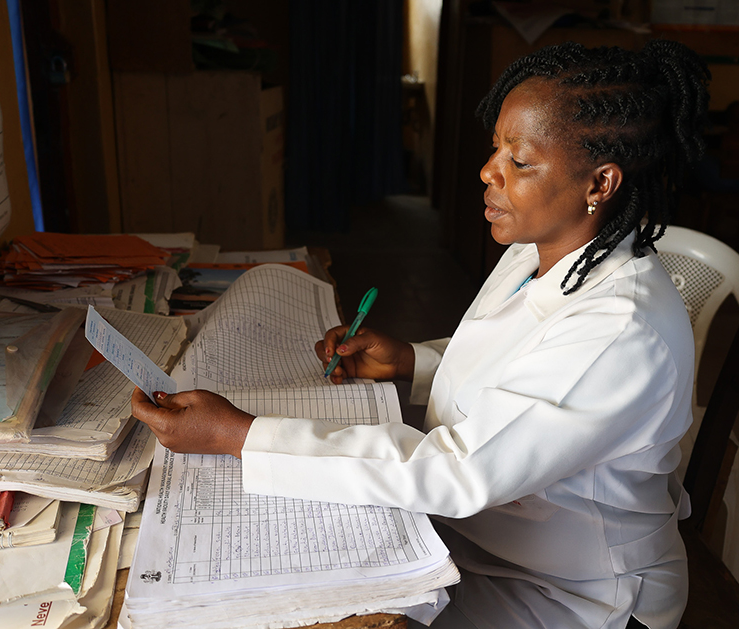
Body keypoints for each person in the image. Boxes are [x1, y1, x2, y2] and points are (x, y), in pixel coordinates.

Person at [132, 40, 710, 628]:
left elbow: (458, 470)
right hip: (485, 545)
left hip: (575, 594)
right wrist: (413, 361)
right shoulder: (543, 249)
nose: (489, 172)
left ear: (600, 183)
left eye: (521, 161)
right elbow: (526, 370)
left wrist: (241, 437)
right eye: (494, 150)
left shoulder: (621, 329)